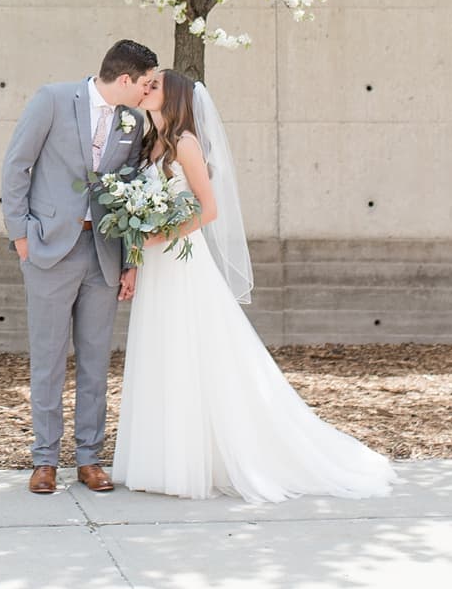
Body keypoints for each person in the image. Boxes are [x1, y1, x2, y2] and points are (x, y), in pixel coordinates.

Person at [112, 68, 396, 502]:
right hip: (155, 264)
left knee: (192, 353)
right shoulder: (149, 145)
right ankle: (159, 460)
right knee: (161, 351)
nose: (146, 90)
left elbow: (209, 211)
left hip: (182, 265)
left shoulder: (185, 144)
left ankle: (194, 463)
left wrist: (157, 235)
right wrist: (136, 252)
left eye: (155, 87)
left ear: (175, 99)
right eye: (146, 85)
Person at [0, 38, 159, 494]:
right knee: (47, 358)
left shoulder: (132, 120)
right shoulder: (52, 99)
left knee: (95, 360)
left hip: (103, 253)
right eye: (144, 85)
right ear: (124, 79)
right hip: (49, 248)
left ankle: (90, 458)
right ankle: (44, 459)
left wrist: (130, 260)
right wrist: (21, 236)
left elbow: (128, 190)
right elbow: (17, 166)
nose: (147, 93)